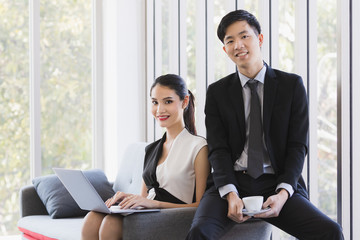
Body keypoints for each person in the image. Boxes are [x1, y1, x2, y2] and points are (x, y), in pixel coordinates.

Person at [186, 9, 344, 240]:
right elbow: (218, 149)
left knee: (330, 232)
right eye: (230, 41)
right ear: (225, 49)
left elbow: (297, 146)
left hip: (277, 181)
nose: (238, 44)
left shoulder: (292, 86)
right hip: (233, 180)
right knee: (200, 232)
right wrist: (230, 193)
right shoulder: (218, 92)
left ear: (259, 39)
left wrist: (283, 193)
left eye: (244, 36)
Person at [82, 74, 210, 240]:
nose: (159, 110)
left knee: (110, 223)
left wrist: (154, 204)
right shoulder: (151, 150)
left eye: (168, 101)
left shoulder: (199, 147)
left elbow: (201, 205)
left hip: (175, 217)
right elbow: (144, 198)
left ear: (184, 102)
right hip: (149, 213)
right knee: (93, 217)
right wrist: (127, 197)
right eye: (155, 102)